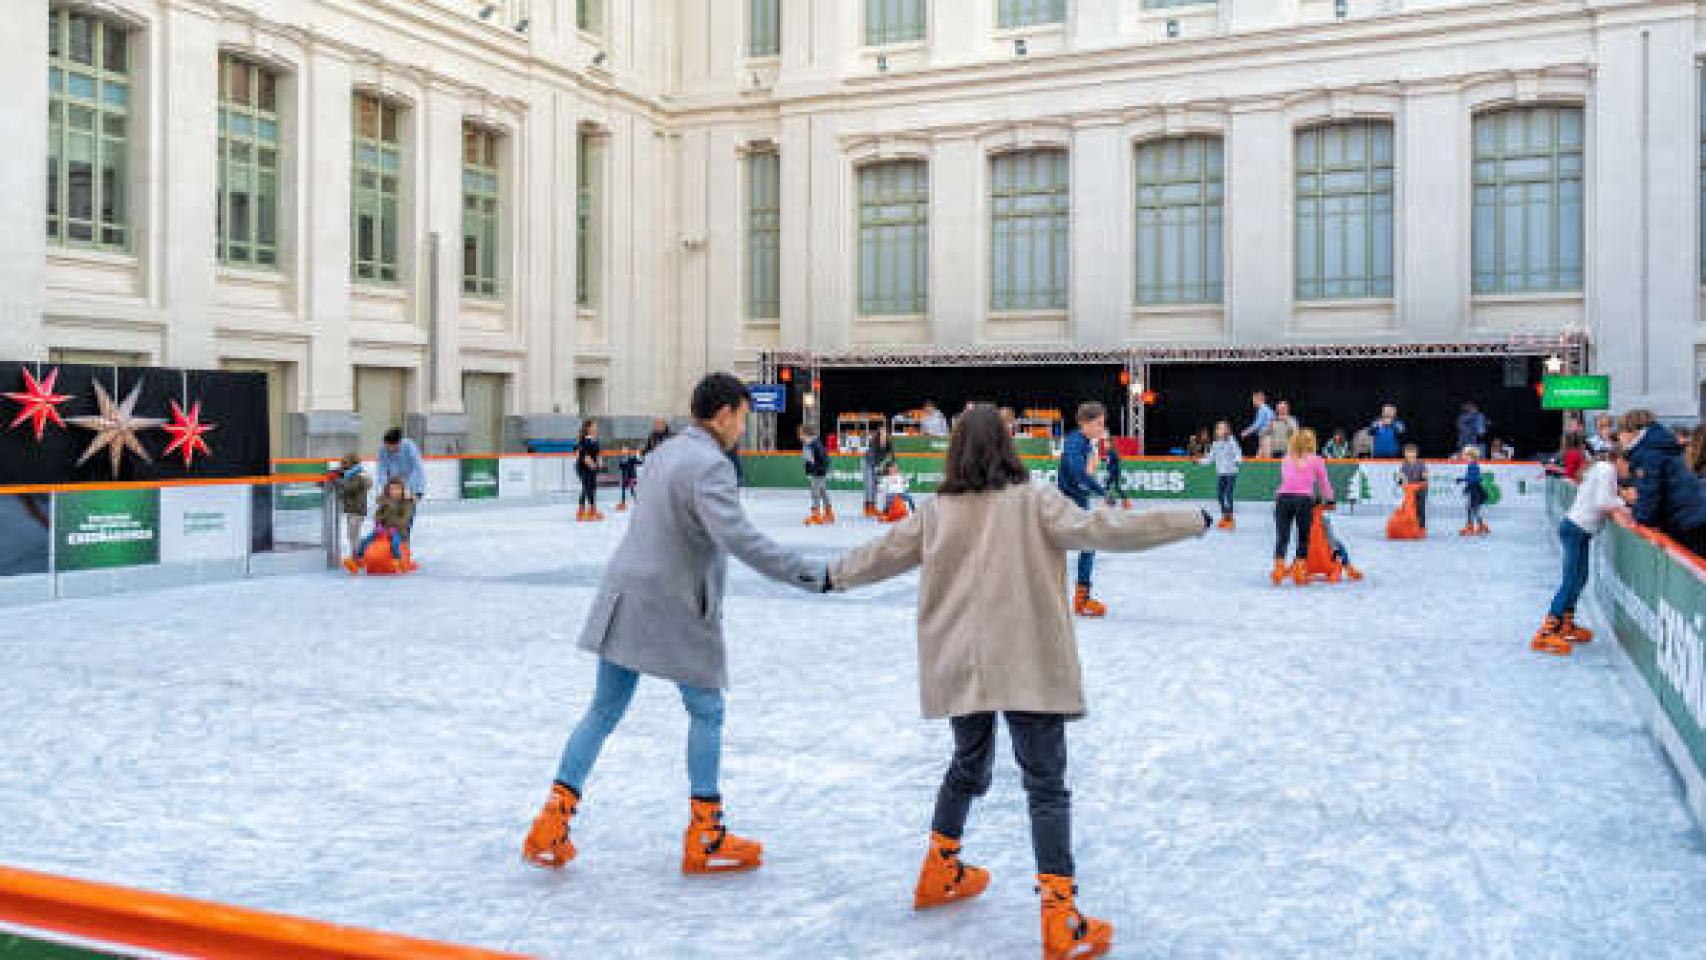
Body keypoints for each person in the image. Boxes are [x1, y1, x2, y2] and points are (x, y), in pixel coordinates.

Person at [827, 406, 1209, 960]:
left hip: (965, 663)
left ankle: (940, 869)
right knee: (1045, 785)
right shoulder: (1035, 502)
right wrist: (1187, 521)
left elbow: (881, 553)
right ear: (1008, 447)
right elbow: (1107, 528)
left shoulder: (937, 511)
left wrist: (829, 576)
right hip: (1027, 663)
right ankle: (1060, 915)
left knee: (967, 765)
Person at [523, 373, 831, 875]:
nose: (742, 429)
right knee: (706, 710)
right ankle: (705, 830)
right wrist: (809, 574)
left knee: (603, 710)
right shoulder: (711, 466)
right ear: (725, 414)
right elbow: (741, 540)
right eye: (743, 417)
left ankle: (551, 822)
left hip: (625, 594)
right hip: (674, 605)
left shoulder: (663, 453)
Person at [1533, 449, 1634, 655]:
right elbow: (1602, 502)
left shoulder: (1603, 469)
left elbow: (1603, 499)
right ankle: (1547, 629)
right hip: (1575, 529)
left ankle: (1566, 623)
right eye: (1629, 466)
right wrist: (1625, 503)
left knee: (1580, 578)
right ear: (1620, 460)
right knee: (1571, 580)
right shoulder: (1606, 469)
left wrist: (1621, 498)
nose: (1629, 471)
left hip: (1580, 530)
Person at [1620, 409, 1706, 556]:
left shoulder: (1650, 454)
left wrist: (1635, 514)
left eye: (1620, 431)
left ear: (1632, 431)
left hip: (1691, 524)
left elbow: (1649, 501)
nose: (1619, 437)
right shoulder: (1655, 447)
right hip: (1693, 519)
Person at [1058, 402, 1110, 617]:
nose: (1101, 428)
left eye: (1103, 424)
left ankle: (1082, 598)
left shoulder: (1086, 443)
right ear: (1085, 423)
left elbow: (1082, 474)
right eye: (1099, 424)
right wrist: (1102, 491)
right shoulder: (1074, 442)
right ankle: (1080, 599)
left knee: (1089, 545)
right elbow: (1078, 473)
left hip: (1078, 501)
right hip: (1067, 504)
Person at [1272, 429, 1334, 586]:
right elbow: (1324, 483)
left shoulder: (1285, 459)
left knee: (1282, 536)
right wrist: (1330, 500)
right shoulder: (1317, 460)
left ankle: (1278, 569)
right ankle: (1300, 571)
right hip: (1303, 500)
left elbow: (1287, 480)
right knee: (1303, 537)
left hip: (1283, 499)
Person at [343, 478, 414, 574]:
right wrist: (379, 525)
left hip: (398, 531)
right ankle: (356, 560)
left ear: (402, 491)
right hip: (382, 531)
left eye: (397, 489)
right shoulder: (384, 503)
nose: (394, 492)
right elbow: (377, 516)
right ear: (388, 491)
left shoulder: (406, 503)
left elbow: (404, 520)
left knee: (395, 543)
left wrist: (392, 526)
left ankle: (397, 560)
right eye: (392, 489)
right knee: (365, 541)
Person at [376, 428, 426, 536]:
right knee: (388, 510)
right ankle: (389, 540)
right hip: (393, 485)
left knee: (406, 514)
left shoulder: (409, 447)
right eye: (386, 445)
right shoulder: (383, 449)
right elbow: (382, 469)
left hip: (412, 485)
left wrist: (409, 489)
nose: (388, 448)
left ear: (399, 442)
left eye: (391, 446)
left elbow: (417, 469)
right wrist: (385, 487)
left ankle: (404, 540)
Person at [331, 453, 371, 564]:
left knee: (353, 534)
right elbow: (340, 477)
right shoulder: (349, 475)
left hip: (358, 510)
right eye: (342, 463)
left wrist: (336, 480)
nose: (342, 465)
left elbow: (349, 487)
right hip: (351, 510)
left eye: (345, 463)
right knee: (352, 534)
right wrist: (333, 474)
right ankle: (357, 555)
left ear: (353, 464)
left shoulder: (359, 476)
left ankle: (358, 555)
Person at [1203, 420, 1242, 529]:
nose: (1221, 430)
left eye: (1223, 428)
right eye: (1219, 428)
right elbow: (1210, 459)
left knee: (1228, 495)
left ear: (1227, 430)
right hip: (1221, 473)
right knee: (1220, 495)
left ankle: (1230, 519)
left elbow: (1238, 453)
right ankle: (1225, 516)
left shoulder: (1232, 441)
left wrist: (1238, 460)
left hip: (1231, 472)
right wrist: (1199, 461)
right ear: (1216, 431)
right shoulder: (1215, 444)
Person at [800, 424, 833, 525]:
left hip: (819, 472)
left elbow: (824, 458)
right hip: (815, 472)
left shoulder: (815, 444)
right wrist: (808, 472)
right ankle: (829, 512)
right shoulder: (807, 444)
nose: (800, 436)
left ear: (807, 434)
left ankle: (816, 514)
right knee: (822, 491)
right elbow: (807, 460)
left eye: (801, 434)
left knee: (815, 492)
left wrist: (820, 470)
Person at [864, 424, 895, 518]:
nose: (883, 435)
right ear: (878, 433)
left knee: (880, 486)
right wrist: (876, 467)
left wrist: (892, 465)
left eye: (884, 433)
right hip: (868, 463)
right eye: (881, 433)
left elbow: (892, 454)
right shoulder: (873, 441)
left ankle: (876, 507)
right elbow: (871, 455)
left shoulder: (889, 441)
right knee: (870, 485)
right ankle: (869, 508)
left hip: (879, 464)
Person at [575, 420, 604, 522]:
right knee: (587, 487)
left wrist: (599, 462)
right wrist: (590, 463)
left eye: (596, 426)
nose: (596, 428)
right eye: (594, 426)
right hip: (582, 467)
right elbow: (581, 454)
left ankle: (590, 509)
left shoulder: (596, 440)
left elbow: (598, 453)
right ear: (588, 428)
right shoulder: (583, 440)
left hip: (592, 467)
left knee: (592, 487)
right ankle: (584, 510)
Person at [1457, 446, 1489, 536]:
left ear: (1471, 456)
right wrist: (1467, 487)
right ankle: (1478, 525)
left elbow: (1474, 478)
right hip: (1473, 489)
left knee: (1472, 509)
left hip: (1475, 490)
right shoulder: (1472, 465)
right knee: (1471, 509)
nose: (1464, 456)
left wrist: (1462, 479)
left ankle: (1473, 526)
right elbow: (1474, 479)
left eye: (1466, 455)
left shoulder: (1473, 466)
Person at [1399, 443, 1429, 530]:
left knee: (1420, 507)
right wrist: (1402, 480)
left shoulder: (1420, 463)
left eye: (1412, 452)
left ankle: (1421, 527)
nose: (1410, 454)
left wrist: (1424, 479)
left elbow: (1425, 474)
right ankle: (1409, 524)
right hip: (1410, 489)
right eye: (1407, 452)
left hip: (1421, 488)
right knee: (1408, 507)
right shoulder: (1404, 464)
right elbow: (1402, 475)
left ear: (1416, 453)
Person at [1241, 391, 1275, 457]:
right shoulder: (1267, 409)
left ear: (1259, 399)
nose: (1253, 401)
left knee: (1267, 458)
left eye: (1254, 399)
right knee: (1259, 457)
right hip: (1264, 437)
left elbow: (1258, 425)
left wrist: (1246, 432)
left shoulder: (1263, 409)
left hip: (1266, 437)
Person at [1103, 437, 1131, 510]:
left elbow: (1117, 460)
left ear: (1111, 444)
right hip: (1112, 472)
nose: (1105, 445)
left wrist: (1112, 471)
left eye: (1106, 443)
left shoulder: (1112, 452)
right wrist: (1104, 459)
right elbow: (1109, 460)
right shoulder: (1108, 452)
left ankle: (1125, 501)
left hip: (1114, 472)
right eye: (1105, 443)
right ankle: (1112, 500)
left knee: (1116, 487)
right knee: (1109, 486)